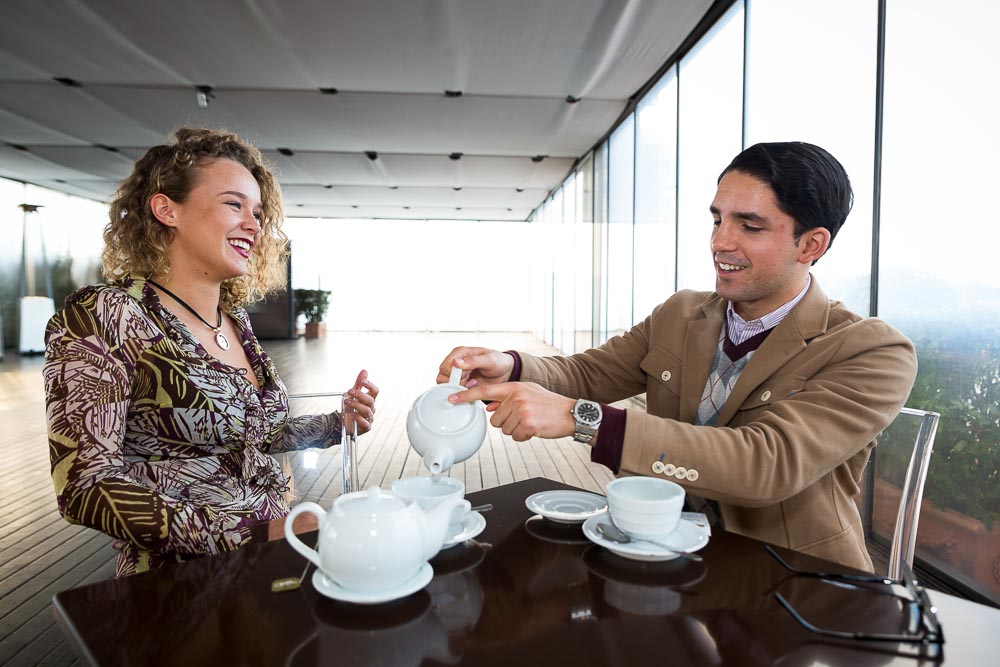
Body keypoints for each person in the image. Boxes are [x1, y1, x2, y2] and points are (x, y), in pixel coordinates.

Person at [437, 142, 917, 571]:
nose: (720, 242)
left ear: (811, 245)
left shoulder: (872, 350)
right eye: (717, 219)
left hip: (793, 582)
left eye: (749, 226)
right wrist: (511, 366)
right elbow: (587, 374)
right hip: (659, 552)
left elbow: (767, 463)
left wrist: (585, 421)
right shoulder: (681, 313)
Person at [43, 127, 379, 577]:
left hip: (270, 565)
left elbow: (250, 436)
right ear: (166, 209)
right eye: (233, 204)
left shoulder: (233, 320)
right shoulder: (109, 315)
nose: (254, 225)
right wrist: (252, 532)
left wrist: (338, 425)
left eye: (257, 212)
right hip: (181, 587)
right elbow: (85, 485)